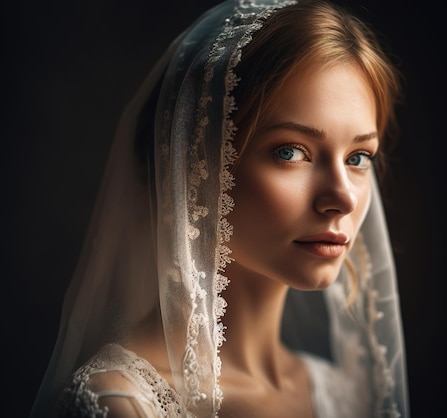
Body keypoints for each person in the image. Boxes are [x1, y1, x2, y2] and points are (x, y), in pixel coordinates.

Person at [30, 0, 409, 416]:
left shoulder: (348, 395)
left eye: (358, 157)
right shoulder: (122, 405)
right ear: (193, 165)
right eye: (290, 151)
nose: (343, 198)